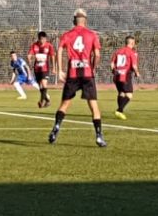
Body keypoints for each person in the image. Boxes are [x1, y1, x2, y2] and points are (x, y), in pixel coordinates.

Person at [48, 8, 106, 147]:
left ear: (74, 20)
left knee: (65, 104)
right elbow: (97, 55)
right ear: (85, 20)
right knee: (93, 106)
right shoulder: (92, 35)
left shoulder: (67, 35)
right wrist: (93, 67)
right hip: (87, 73)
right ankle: (98, 136)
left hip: (73, 73)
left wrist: (60, 69)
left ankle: (56, 128)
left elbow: (59, 50)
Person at [111, 35, 140, 120]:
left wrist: (114, 71)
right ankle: (119, 110)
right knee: (129, 95)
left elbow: (112, 64)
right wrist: (137, 73)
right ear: (132, 43)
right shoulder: (132, 52)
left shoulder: (118, 51)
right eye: (134, 43)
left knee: (121, 93)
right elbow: (134, 65)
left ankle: (120, 112)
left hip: (117, 75)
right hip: (125, 75)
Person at [27, 31, 56, 108]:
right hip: (37, 69)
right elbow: (29, 55)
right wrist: (29, 59)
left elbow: (52, 56)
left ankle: (41, 101)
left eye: (44, 39)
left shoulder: (49, 46)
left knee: (44, 84)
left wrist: (54, 67)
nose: (43, 41)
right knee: (40, 86)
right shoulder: (34, 45)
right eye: (41, 39)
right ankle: (47, 100)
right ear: (39, 39)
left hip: (45, 69)